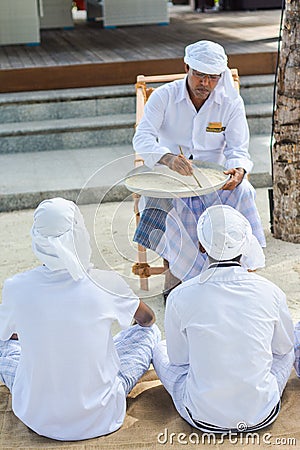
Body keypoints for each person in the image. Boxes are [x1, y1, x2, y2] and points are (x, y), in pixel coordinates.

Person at [0, 198, 160, 441]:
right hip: (102, 415)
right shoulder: (106, 283)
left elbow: (4, 334)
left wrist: (32, 332)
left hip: (37, 415)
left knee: (5, 345)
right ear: (77, 236)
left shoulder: (17, 287)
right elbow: (147, 319)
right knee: (150, 332)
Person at [133, 40, 266, 295]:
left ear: (221, 76)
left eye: (213, 77)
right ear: (186, 67)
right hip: (170, 177)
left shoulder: (230, 102)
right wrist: (167, 157)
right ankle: (184, 278)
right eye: (199, 75)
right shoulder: (164, 96)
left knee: (244, 192)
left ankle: (242, 274)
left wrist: (238, 168)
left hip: (215, 178)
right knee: (156, 202)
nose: (205, 83)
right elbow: (143, 137)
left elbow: (238, 148)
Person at [152, 205, 294, 433]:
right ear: (245, 245)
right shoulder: (271, 291)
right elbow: (283, 348)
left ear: (200, 246)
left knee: (159, 347)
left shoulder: (180, 295)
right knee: (288, 347)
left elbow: (178, 360)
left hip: (202, 416)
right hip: (262, 414)